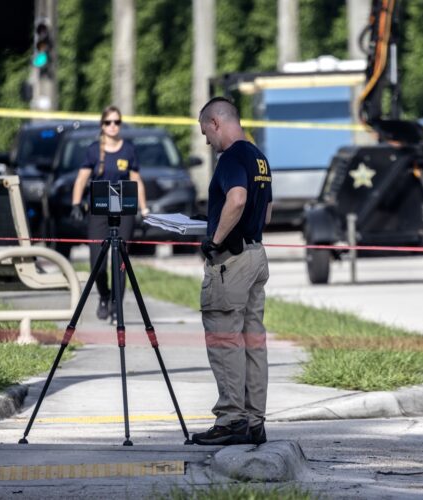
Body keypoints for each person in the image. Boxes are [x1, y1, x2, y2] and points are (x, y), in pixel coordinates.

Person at [191, 97, 273, 446]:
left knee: (225, 341)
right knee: (253, 342)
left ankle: (231, 421)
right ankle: (254, 421)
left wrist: (214, 239)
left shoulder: (232, 158)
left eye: (205, 133)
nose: (207, 141)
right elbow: (265, 212)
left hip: (232, 262)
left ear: (215, 122)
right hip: (256, 255)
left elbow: (236, 199)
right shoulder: (258, 156)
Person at [70, 105, 149, 321]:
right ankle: (104, 295)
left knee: (120, 259)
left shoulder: (129, 150)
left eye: (117, 122)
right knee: (98, 262)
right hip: (99, 210)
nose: (113, 126)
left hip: (124, 209)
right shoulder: (94, 150)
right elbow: (81, 179)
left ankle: (117, 306)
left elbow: (136, 180)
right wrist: (76, 204)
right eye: (108, 122)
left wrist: (144, 209)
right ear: (102, 125)